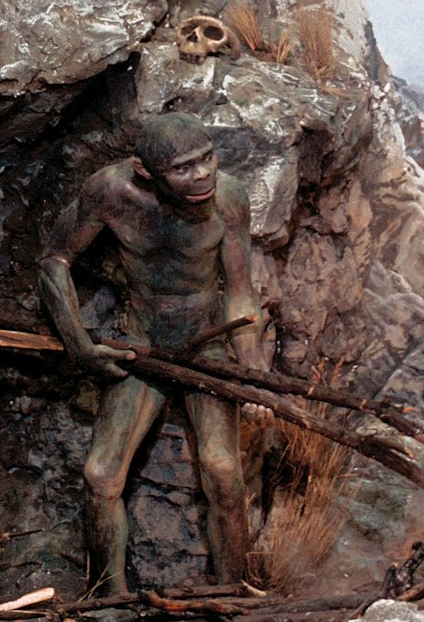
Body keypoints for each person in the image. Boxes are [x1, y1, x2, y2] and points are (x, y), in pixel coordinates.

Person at [38, 112, 271, 595]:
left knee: (223, 470)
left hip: (206, 344)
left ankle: (233, 591)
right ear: (146, 172)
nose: (203, 174)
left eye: (207, 158)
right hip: (139, 345)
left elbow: (242, 293)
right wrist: (79, 344)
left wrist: (253, 373)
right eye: (184, 168)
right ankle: (110, 597)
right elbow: (55, 261)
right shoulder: (111, 192)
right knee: (100, 476)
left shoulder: (228, 199)